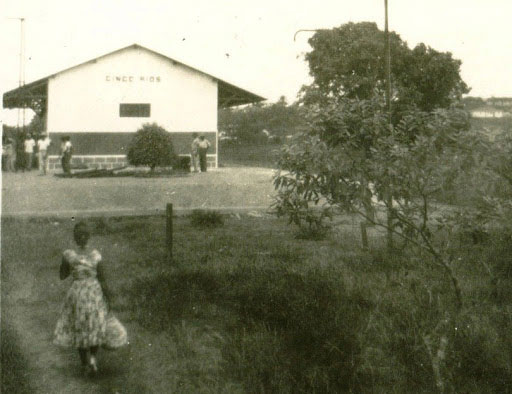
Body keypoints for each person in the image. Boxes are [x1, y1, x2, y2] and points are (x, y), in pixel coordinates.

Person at [54, 221, 111, 375]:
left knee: (87, 327)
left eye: (84, 235)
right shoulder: (82, 255)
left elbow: (62, 275)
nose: (82, 237)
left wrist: (109, 298)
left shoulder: (83, 255)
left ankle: (89, 362)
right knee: (87, 326)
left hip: (86, 294)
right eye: (81, 235)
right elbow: (62, 276)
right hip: (86, 294)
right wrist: (65, 262)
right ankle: (88, 361)